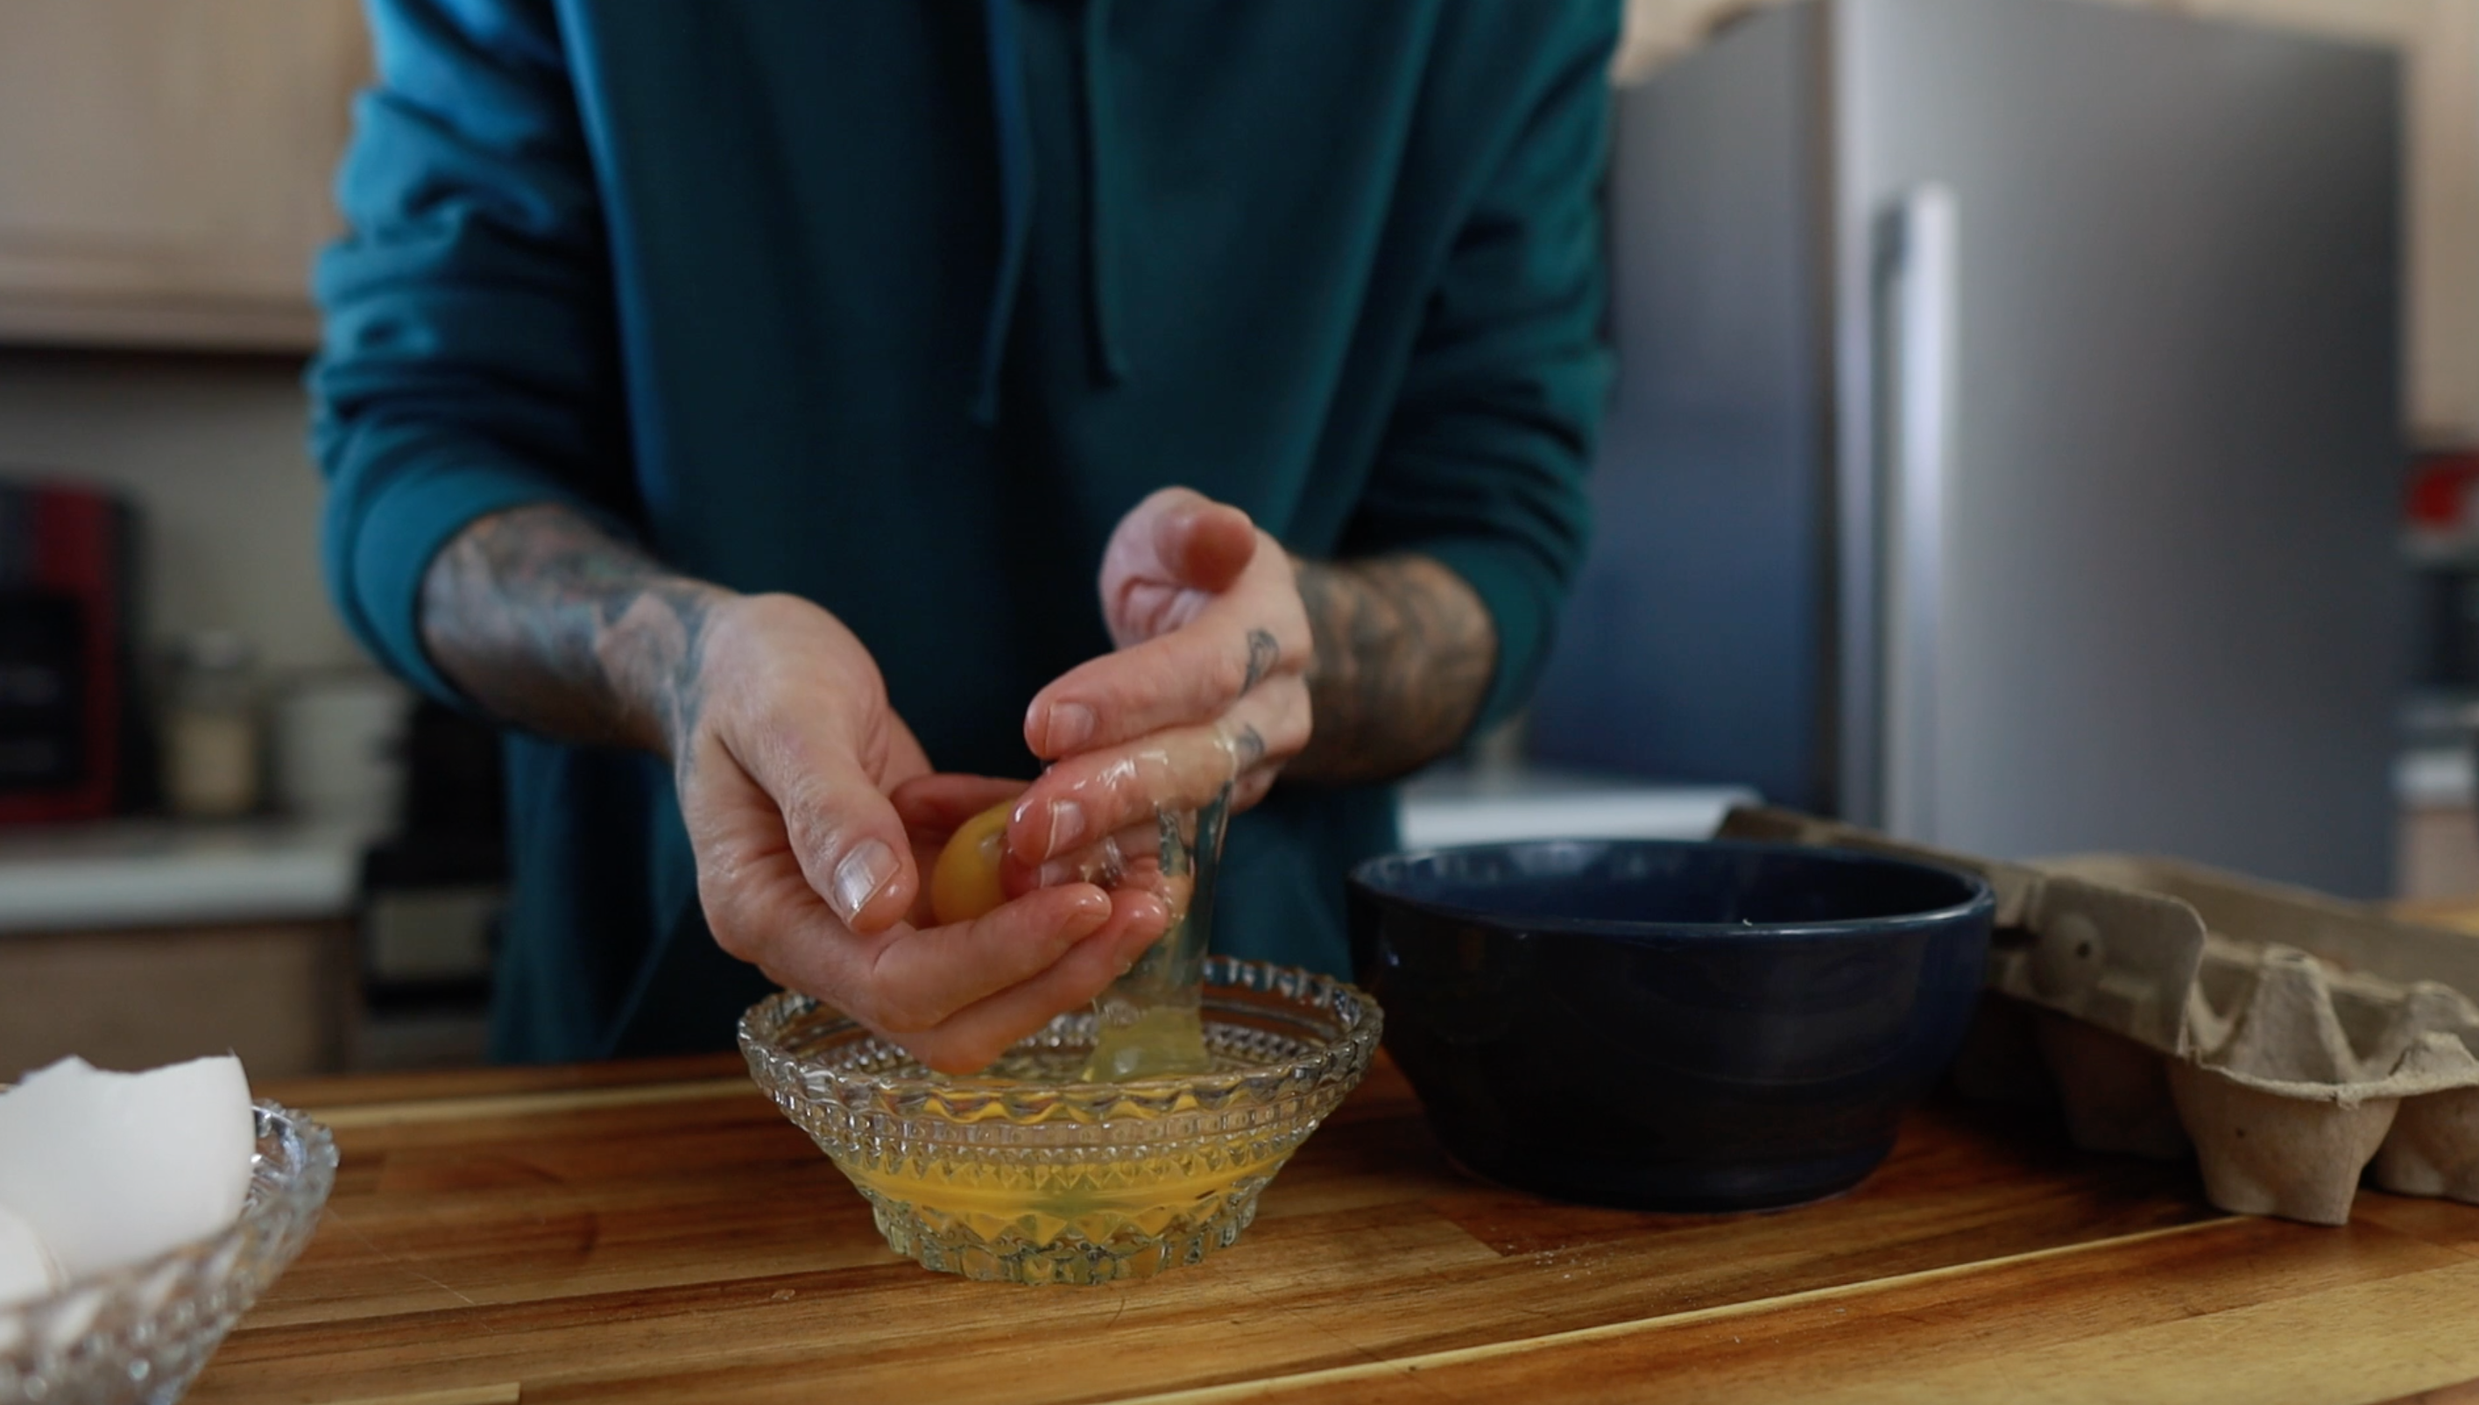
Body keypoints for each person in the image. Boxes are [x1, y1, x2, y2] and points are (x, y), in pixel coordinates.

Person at [312, 0, 1617, 1071]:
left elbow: (1497, 530)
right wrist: (684, 660)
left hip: (1247, 1090)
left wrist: (1292, 657)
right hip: (659, 1087)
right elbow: (418, 449)